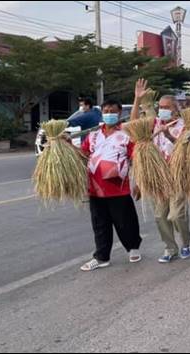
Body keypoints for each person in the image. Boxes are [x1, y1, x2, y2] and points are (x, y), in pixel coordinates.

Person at [131, 79, 190, 263]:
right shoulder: (154, 122)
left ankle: (186, 243)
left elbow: (185, 149)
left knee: (176, 214)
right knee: (160, 215)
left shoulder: (185, 125)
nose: (163, 109)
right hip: (159, 175)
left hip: (177, 174)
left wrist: (167, 135)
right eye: (161, 106)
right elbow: (134, 123)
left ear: (175, 108)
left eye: (167, 107)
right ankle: (170, 247)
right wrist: (137, 100)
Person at [79, 99, 142, 271]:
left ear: (119, 113)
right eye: (105, 111)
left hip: (118, 189)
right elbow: (82, 155)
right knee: (100, 225)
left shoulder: (126, 136)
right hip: (95, 189)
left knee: (125, 222)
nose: (109, 114)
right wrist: (64, 145)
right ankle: (101, 257)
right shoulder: (93, 136)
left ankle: (133, 247)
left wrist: (140, 183)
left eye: (112, 111)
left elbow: (138, 159)